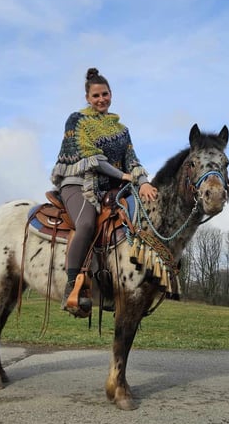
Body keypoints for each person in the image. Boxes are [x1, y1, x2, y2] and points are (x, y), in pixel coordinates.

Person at [51, 67, 158, 315]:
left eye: (105, 94)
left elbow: (132, 159)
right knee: (87, 223)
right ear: (87, 98)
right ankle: (72, 285)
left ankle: (111, 286)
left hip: (110, 189)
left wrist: (142, 181)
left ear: (112, 95)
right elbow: (92, 159)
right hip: (78, 183)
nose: (101, 100)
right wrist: (123, 176)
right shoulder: (77, 121)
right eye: (96, 96)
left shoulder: (121, 130)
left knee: (129, 225)